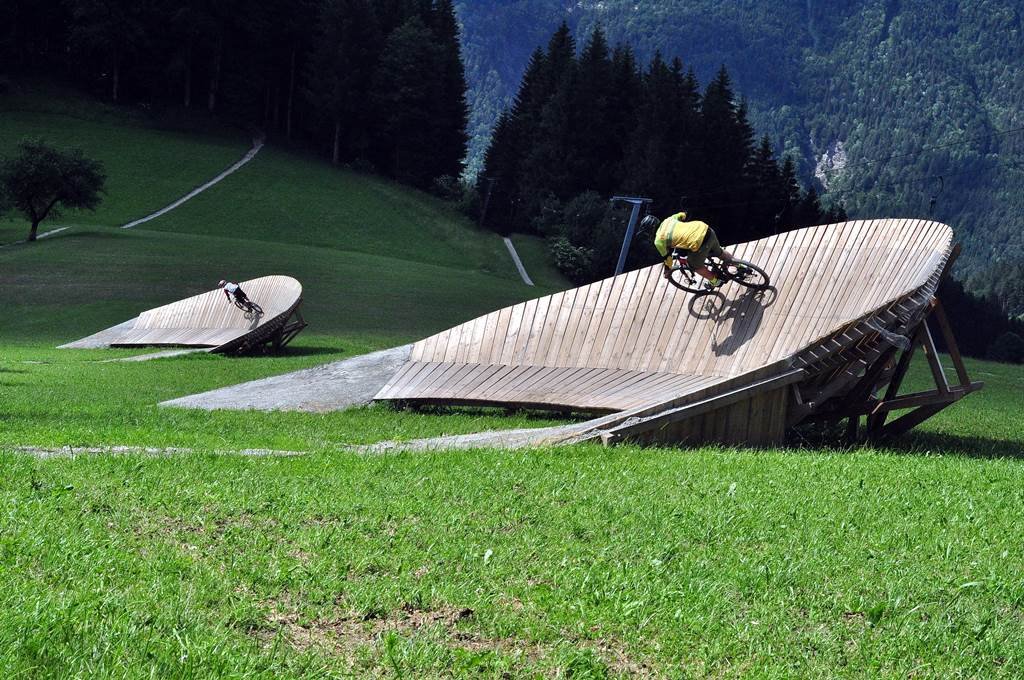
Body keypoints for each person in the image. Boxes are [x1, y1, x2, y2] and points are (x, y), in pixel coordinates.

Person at [643, 211, 734, 288]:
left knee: (694, 265)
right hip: (705, 229)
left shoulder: (658, 241)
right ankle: (739, 265)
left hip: (698, 242)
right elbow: (683, 214)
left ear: (650, 231)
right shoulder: (669, 219)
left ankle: (715, 281)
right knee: (719, 252)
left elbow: (668, 259)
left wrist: (667, 271)